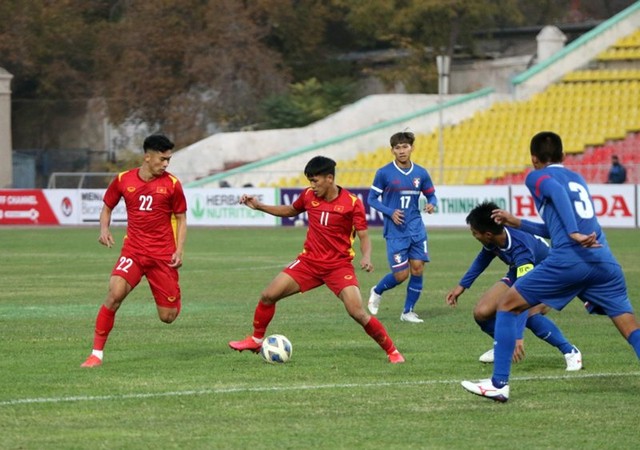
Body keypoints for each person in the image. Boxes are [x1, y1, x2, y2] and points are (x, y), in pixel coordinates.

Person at [461, 131, 640, 402]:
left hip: (569, 259)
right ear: (564, 156)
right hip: (604, 261)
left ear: (534, 159)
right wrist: (517, 222)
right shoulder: (577, 178)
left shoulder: (537, 176)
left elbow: (555, 193)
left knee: (507, 305)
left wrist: (573, 233)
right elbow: (551, 227)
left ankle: (498, 384)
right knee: (630, 328)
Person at [228, 156, 405, 363]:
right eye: (310, 181)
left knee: (357, 312)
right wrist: (259, 206)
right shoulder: (308, 196)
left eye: (315, 181)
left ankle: (392, 351)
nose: (312, 186)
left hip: (338, 266)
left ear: (329, 178)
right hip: (309, 263)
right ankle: (256, 340)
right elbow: (290, 211)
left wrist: (366, 256)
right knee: (268, 295)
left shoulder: (352, 203)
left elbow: (364, 235)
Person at [81, 134, 187, 367]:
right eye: (163, 159)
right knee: (114, 294)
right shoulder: (123, 180)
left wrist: (179, 250)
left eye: (169, 159)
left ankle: (173, 294)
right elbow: (107, 207)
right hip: (134, 252)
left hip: (162, 256)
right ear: (147, 157)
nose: (166, 164)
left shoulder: (172, 185)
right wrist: (104, 229)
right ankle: (96, 354)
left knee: (167, 317)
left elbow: (181, 218)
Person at [446, 201, 582, 370]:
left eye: (474, 233)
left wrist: (518, 336)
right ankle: (503, 345)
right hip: (520, 271)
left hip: (551, 275)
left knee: (530, 313)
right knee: (482, 312)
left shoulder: (520, 249)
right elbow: (484, 257)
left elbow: (525, 293)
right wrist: (462, 286)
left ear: (487, 234)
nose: (474, 236)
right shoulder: (494, 237)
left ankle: (570, 351)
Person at [366, 131, 437, 323]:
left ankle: (408, 312)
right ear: (392, 151)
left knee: (418, 268)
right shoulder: (384, 173)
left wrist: (432, 203)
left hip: (416, 229)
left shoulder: (421, 173)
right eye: (397, 147)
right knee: (400, 275)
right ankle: (377, 290)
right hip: (396, 232)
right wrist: (390, 212)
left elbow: (431, 195)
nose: (402, 151)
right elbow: (371, 199)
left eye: (405, 146)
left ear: (412, 148)